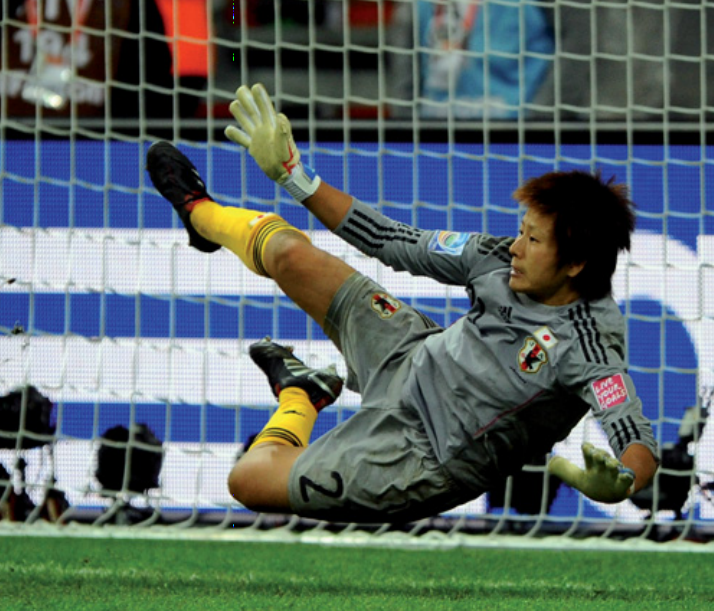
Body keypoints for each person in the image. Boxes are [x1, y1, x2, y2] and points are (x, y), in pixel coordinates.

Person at [145, 83, 659, 524]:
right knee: (288, 253)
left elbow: (633, 434)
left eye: (534, 241)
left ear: (575, 265)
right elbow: (389, 238)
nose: (516, 247)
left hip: (418, 456)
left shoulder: (590, 347)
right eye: (521, 231)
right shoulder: (496, 258)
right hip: (410, 353)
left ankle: (300, 397)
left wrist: (624, 480)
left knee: (248, 479)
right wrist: (293, 177)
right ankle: (201, 215)